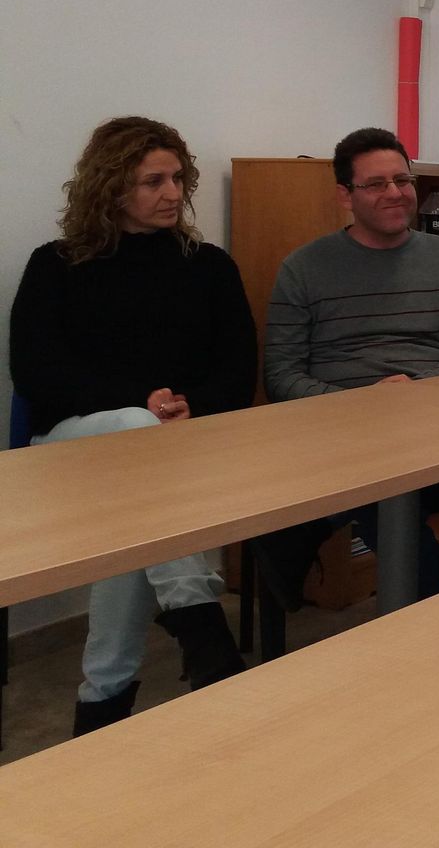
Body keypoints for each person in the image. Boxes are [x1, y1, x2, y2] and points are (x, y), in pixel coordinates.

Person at [8, 116, 255, 734]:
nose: (173, 193)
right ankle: (198, 618)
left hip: (176, 449)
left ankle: (102, 700)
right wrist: (141, 401)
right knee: (136, 430)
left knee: (140, 526)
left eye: (178, 179)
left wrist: (193, 405)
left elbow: (238, 369)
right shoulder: (56, 265)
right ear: (112, 187)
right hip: (71, 447)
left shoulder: (209, 266)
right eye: (153, 181)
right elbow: (36, 373)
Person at [259, 127, 439, 603]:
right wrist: (361, 405)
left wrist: (412, 391)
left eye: (403, 180)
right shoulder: (303, 268)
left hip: (433, 424)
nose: (395, 193)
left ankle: (305, 535)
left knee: (399, 482)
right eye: (376, 184)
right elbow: (281, 375)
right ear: (345, 196)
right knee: (381, 485)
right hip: (336, 431)